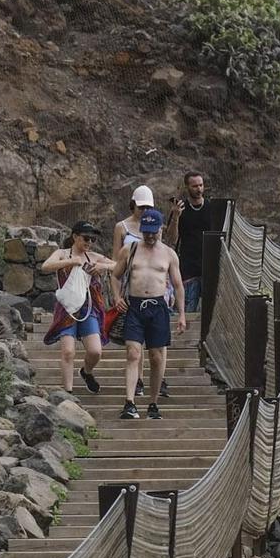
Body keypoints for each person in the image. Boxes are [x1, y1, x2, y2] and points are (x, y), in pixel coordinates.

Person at [112, 208, 186, 420]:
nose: (150, 236)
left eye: (154, 232)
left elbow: (178, 285)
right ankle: (129, 402)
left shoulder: (169, 254)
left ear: (160, 229)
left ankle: (153, 403)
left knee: (156, 356)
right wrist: (117, 298)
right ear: (141, 230)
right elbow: (116, 276)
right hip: (135, 305)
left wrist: (181, 314)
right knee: (133, 353)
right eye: (147, 232)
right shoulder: (130, 249)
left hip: (158, 307)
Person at [40, 222, 114, 393]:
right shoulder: (62, 253)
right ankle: (68, 392)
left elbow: (118, 265)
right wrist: (71, 261)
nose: (89, 242)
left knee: (95, 351)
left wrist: (103, 266)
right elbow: (46, 266)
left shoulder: (94, 256)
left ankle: (86, 372)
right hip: (67, 308)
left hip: (89, 307)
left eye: (93, 239)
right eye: (86, 238)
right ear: (75, 237)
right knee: (68, 351)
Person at [167, 171, 208, 315]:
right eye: (195, 186)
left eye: (201, 185)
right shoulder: (180, 208)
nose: (199, 189)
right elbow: (171, 239)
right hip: (189, 269)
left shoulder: (210, 207)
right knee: (187, 311)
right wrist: (176, 217)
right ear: (187, 187)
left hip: (209, 268)